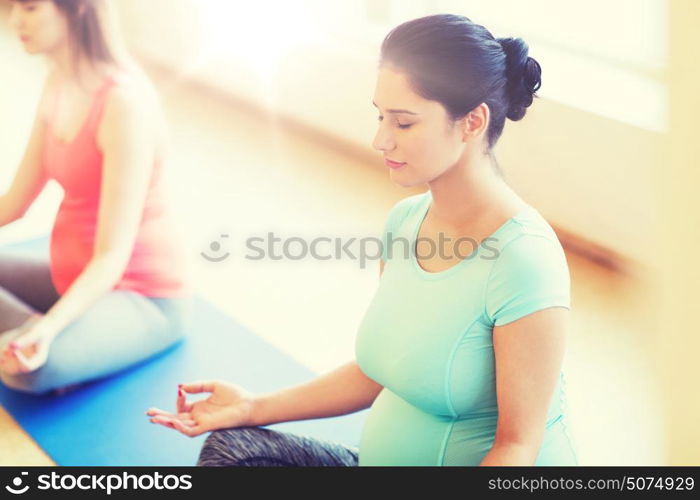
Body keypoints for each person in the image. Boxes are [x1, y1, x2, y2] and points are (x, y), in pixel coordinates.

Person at [147, 13, 578, 466]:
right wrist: (252, 407)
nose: (380, 140)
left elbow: (517, 447)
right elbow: (378, 374)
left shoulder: (524, 259)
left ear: (472, 122)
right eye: (380, 116)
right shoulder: (406, 221)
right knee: (231, 450)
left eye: (403, 123)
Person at [0, 0, 193, 395]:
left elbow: (112, 257)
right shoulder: (58, 80)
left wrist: (49, 327)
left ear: (78, 10)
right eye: (15, 6)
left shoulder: (124, 104)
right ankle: (32, 330)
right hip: (71, 278)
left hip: (140, 295)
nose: (16, 18)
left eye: (32, 7)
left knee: (27, 371)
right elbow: (16, 203)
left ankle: (39, 334)